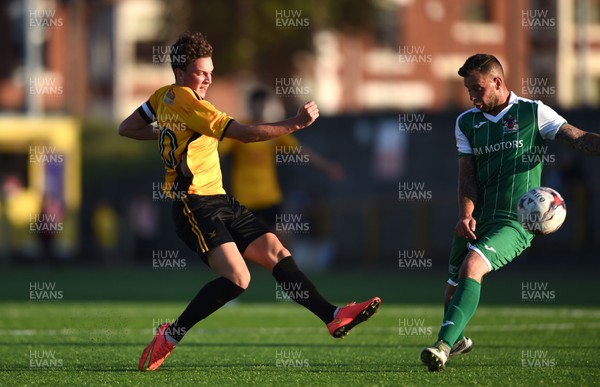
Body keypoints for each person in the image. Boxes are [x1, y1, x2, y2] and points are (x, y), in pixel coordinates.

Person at [118, 31, 381, 372]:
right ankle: (170, 336)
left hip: (222, 200)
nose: (209, 78)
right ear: (181, 73)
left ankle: (332, 316)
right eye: (201, 72)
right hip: (194, 205)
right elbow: (244, 134)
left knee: (277, 252)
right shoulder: (188, 101)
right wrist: (295, 123)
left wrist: (169, 130)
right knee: (239, 279)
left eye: (211, 70)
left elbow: (127, 127)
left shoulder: (162, 98)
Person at [420, 53, 600, 372]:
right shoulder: (466, 123)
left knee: (473, 266)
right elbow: (467, 176)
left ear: (497, 82)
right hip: (477, 217)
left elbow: (581, 139)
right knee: (453, 285)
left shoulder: (533, 112)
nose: (472, 95)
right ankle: (457, 339)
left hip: (516, 221)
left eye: (477, 88)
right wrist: (465, 214)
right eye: (467, 90)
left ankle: (442, 346)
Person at [219, 88, 343, 228]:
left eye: (262, 105)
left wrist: (327, 167)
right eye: (256, 105)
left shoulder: (272, 129)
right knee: (246, 243)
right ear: (250, 106)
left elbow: (300, 151)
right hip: (245, 197)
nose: (259, 109)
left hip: (269, 195)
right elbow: (219, 153)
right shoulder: (240, 128)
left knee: (282, 236)